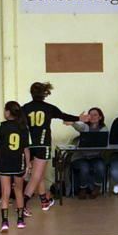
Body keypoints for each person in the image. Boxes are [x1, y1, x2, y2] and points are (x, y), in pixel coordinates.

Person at [22, 82, 87, 212]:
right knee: (36, 176)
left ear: (31, 93)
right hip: (43, 144)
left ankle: (44, 201)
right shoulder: (48, 108)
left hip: (29, 144)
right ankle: (22, 204)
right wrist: (79, 118)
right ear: (44, 94)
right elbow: (63, 116)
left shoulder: (25, 108)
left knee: (38, 174)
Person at [0, 102, 30, 232]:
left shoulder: (1, 126)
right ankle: (20, 220)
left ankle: (5, 222)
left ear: (8, 112)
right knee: (19, 190)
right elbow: (26, 149)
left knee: (5, 191)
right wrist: (28, 165)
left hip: (4, 162)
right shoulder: (23, 127)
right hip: (18, 162)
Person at [71, 107, 108, 199]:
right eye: (90, 115)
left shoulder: (104, 129)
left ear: (100, 117)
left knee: (101, 166)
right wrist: (74, 121)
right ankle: (82, 188)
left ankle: (97, 187)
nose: (92, 117)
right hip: (80, 157)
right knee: (84, 167)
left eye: (95, 115)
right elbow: (76, 126)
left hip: (96, 157)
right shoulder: (84, 127)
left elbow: (104, 145)